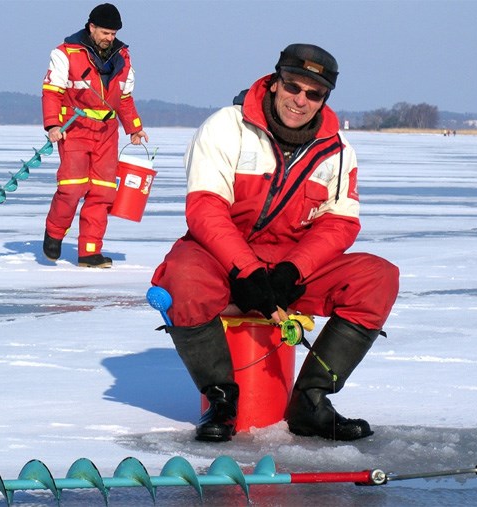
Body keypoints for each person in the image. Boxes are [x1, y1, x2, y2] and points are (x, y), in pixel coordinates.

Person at [151, 44, 399, 442]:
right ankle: (221, 399)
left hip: (288, 264)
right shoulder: (225, 127)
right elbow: (205, 210)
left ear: (324, 99)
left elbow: (339, 224)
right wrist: (246, 272)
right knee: (182, 278)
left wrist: (291, 271)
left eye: (313, 93)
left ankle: (310, 402)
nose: (300, 100)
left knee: (377, 278)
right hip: (217, 254)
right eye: (292, 87)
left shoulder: (337, 151)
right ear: (274, 83)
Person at [41, 3, 149, 268]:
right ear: (91, 27)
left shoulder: (123, 56)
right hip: (74, 129)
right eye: (104, 33)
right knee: (73, 187)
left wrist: (134, 128)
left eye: (113, 34)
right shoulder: (65, 53)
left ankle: (89, 251)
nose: (109, 38)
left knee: (103, 193)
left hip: (106, 133)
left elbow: (124, 97)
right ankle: (55, 232)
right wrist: (52, 125)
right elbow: (52, 92)